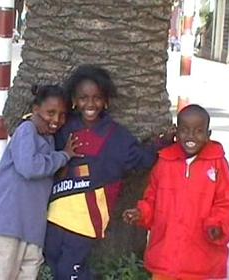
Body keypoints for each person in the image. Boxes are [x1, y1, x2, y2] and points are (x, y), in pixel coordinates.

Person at [43, 65, 175, 280]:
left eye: (97, 98)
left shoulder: (117, 136)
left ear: (106, 101)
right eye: (83, 97)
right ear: (74, 100)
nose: (90, 104)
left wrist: (163, 143)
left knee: (70, 272)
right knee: (54, 262)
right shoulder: (63, 128)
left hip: (86, 221)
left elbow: (142, 159)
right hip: (55, 217)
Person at [123, 104, 229, 280]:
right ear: (176, 133)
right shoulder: (165, 162)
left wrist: (218, 225)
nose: (191, 136)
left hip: (202, 261)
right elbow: (152, 198)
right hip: (165, 259)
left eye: (198, 131)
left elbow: (228, 203)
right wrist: (141, 213)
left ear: (208, 135)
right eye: (185, 130)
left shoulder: (217, 164)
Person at [0, 85, 82, 280]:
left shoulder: (49, 139)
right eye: (50, 113)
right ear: (35, 110)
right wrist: (64, 156)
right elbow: (29, 167)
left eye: (62, 115)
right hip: (9, 226)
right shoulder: (26, 130)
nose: (56, 120)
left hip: (33, 231)